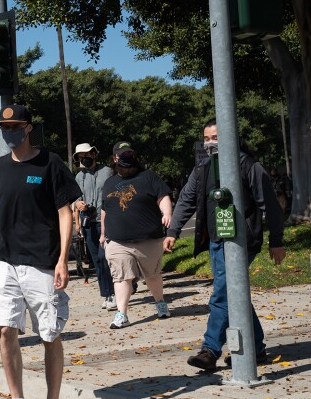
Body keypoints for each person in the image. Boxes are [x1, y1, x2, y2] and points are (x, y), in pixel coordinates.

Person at [0, 104, 81, 399]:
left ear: (28, 128)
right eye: (2, 127)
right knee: (5, 329)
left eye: (13, 126)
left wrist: (62, 259)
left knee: (49, 335)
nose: (7, 132)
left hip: (42, 261)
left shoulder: (50, 163)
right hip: (7, 261)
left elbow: (64, 212)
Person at [165, 119, 286, 371]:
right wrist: (173, 231)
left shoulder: (248, 165)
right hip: (216, 241)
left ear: (231, 137)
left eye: (216, 137)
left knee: (223, 292)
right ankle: (257, 349)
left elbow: (271, 206)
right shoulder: (202, 168)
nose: (211, 144)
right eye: (207, 139)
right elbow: (186, 199)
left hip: (243, 242)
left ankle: (210, 349)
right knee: (234, 292)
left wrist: (277, 241)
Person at [99, 141, 173, 329]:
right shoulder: (109, 183)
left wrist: (167, 213)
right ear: (115, 158)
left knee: (152, 275)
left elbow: (163, 196)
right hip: (117, 241)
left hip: (148, 239)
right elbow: (105, 210)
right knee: (121, 277)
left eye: (129, 154)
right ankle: (121, 314)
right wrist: (103, 233)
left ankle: (160, 303)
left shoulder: (148, 177)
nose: (126, 157)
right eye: (122, 155)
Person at [72, 143, 115, 311]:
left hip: (106, 221)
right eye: (81, 157)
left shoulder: (108, 172)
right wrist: (78, 205)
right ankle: (106, 294)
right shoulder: (79, 177)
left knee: (107, 258)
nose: (85, 159)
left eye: (87, 155)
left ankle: (114, 291)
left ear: (94, 153)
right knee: (97, 260)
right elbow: (75, 199)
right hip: (88, 222)